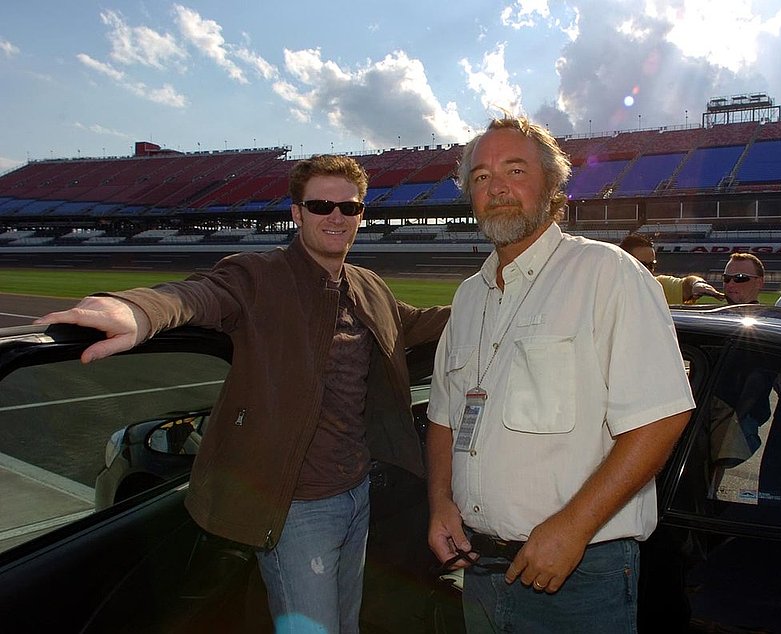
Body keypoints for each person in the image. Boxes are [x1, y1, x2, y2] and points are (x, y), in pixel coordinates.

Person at [35, 154, 450, 633]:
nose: (336, 217)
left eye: (349, 208)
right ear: (297, 213)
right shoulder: (257, 274)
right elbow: (198, 295)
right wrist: (139, 310)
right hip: (298, 506)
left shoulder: (367, 285)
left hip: (357, 489)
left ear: (361, 214)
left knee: (348, 622)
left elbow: (412, 324)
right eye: (320, 206)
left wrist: (486, 303)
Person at [425, 116, 695, 633]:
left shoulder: (606, 273)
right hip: (478, 568)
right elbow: (443, 417)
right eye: (480, 177)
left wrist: (573, 528)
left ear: (553, 189)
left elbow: (661, 419)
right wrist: (440, 503)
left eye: (515, 169)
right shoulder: (468, 297)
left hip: (576, 572)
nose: (496, 186)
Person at [619, 233, 724, 304]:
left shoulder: (658, 286)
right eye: (641, 265)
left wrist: (698, 284)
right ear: (622, 264)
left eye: (652, 265)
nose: (648, 271)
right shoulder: (605, 289)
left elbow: (687, 284)